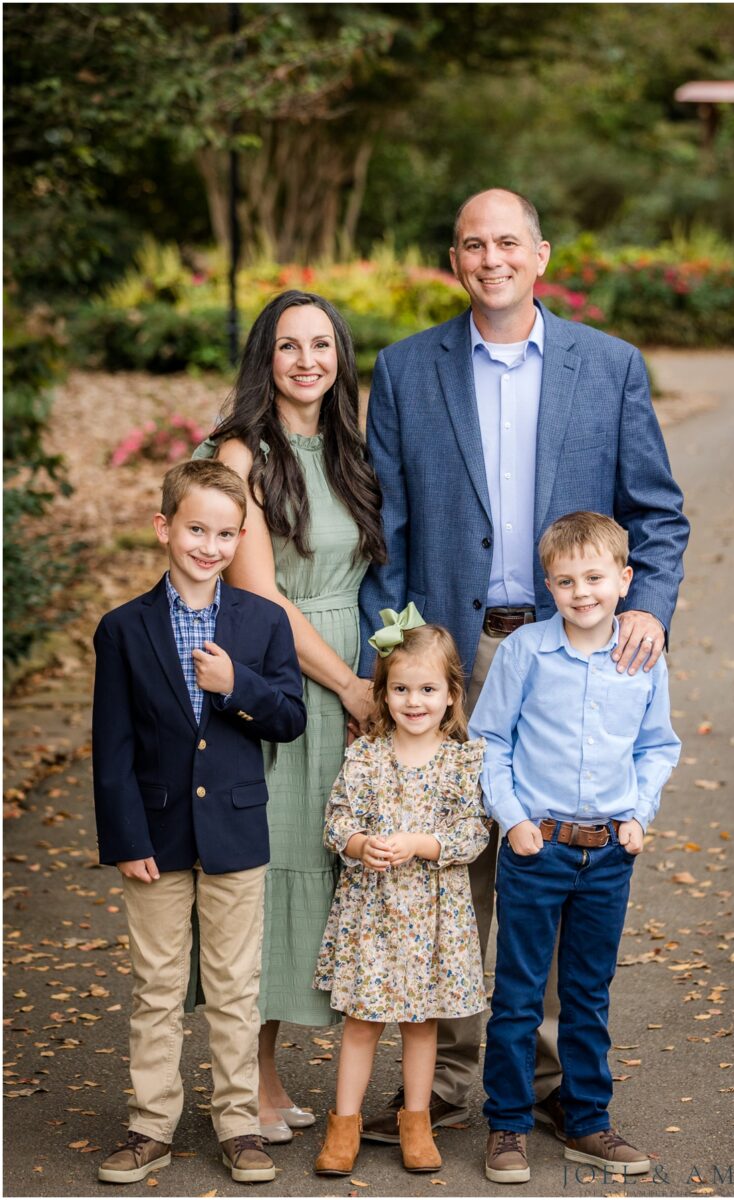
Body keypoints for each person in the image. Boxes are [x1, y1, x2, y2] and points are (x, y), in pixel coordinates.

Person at [358, 187, 690, 1141]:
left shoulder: (610, 365)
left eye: (509, 241)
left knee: (554, 859)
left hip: (570, 646)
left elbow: (657, 515)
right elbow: (388, 534)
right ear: (454, 261)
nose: (492, 258)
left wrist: (648, 611)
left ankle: (548, 1080)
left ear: (541, 255)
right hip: (448, 660)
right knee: (451, 868)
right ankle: (445, 1077)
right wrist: (393, 659)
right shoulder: (407, 369)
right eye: (474, 244)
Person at [191, 290, 386, 1141]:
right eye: (287, 346)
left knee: (321, 863)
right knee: (267, 877)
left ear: (340, 356)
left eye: (321, 344)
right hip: (283, 674)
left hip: (352, 666)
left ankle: (267, 1070)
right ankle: (251, 1080)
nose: (307, 361)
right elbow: (261, 594)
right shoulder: (242, 453)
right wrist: (348, 686)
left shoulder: (348, 448)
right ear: (263, 359)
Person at [92, 459, 306, 1185]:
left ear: (241, 538)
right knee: (156, 986)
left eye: (224, 534)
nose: (209, 547)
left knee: (235, 986)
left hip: (236, 834)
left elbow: (289, 718)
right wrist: (125, 838)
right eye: (195, 530)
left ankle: (239, 1125)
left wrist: (237, 685)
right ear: (164, 528)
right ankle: (150, 1124)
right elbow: (113, 747)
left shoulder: (263, 620)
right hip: (155, 838)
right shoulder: (123, 629)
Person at [470, 511, 681, 1181]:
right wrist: (512, 818)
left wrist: (639, 814)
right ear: (549, 586)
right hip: (538, 846)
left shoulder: (644, 657)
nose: (581, 592)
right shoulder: (526, 651)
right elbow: (490, 740)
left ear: (625, 580)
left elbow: (657, 746)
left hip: (609, 853)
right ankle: (507, 1123)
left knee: (588, 994)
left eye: (594, 578)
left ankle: (588, 1121)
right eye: (565, 581)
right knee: (519, 993)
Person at [312, 608, 490, 1177]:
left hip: (433, 918)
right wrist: (360, 844)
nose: (414, 701)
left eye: (428, 689)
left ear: (451, 694)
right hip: (374, 913)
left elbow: (472, 834)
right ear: (384, 694)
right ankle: (344, 1125)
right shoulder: (366, 755)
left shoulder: (462, 761)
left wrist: (421, 843)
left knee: (421, 1024)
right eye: (401, 689)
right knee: (363, 1022)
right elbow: (337, 819)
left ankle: (417, 1123)